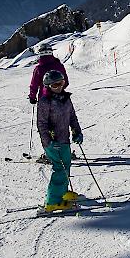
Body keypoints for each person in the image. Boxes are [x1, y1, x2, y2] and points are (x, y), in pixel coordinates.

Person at [37, 70, 83, 212]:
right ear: (48, 86)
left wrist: (77, 131)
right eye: (55, 85)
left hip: (64, 140)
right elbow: (42, 124)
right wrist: (49, 141)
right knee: (59, 168)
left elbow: (72, 116)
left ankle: (62, 194)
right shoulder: (45, 101)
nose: (59, 87)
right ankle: (52, 201)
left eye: (61, 83)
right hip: (52, 142)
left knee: (66, 167)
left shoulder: (65, 98)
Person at [28, 43, 69, 164]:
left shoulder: (39, 69)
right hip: (60, 99)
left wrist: (32, 96)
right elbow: (66, 82)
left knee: (46, 127)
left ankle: (51, 153)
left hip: (45, 101)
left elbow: (34, 84)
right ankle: (64, 151)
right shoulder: (59, 66)